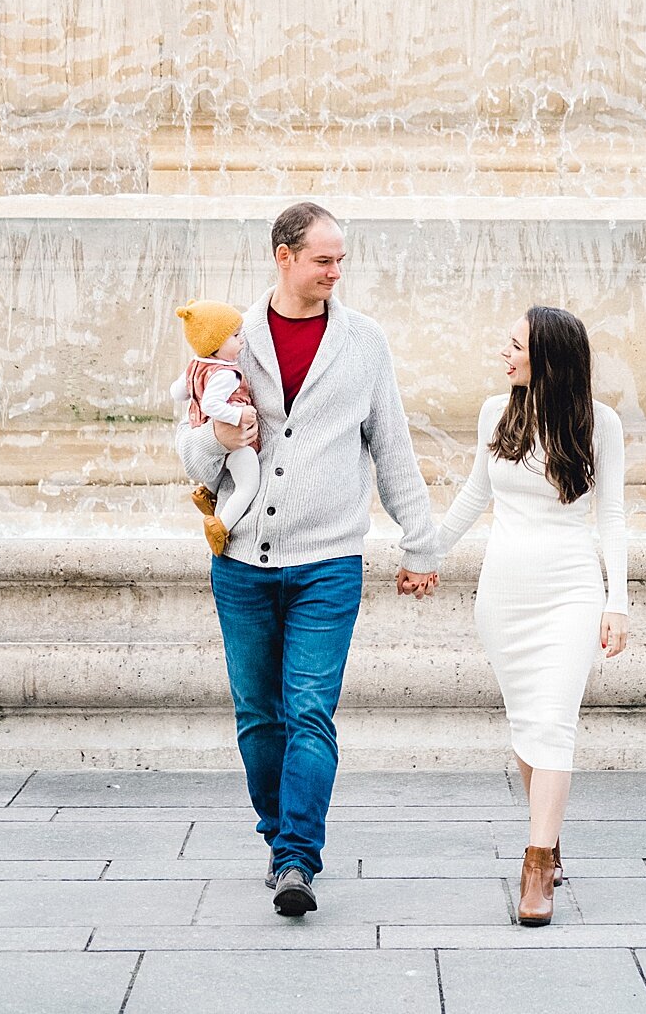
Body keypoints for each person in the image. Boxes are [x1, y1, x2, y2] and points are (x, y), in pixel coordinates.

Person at [173, 201, 443, 919]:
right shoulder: (231, 340)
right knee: (258, 717)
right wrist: (225, 440)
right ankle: (276, 829)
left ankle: (297, 855)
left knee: (312, 712)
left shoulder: (364, 343)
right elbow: (191, 446)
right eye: (323, 258)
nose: (335, 271)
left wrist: (422, 541)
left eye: (340, 259)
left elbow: (393, 448)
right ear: (284, 257)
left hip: (329, 562)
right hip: (241, 562)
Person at [434, 307, 629, 927]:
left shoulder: (601, 424)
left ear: (547, 358)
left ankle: (537, 865)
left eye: (515, 346)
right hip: (503, 595)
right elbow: (473, 495)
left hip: (570, 592)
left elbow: (613, 517)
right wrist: (424, 552)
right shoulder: (498, 412)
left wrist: (616, 600)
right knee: (527, 727)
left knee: (554, 726)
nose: (504, 353)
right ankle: (549, 833)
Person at [174, 300, 260, 555]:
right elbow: (213, 404)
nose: (242, 340)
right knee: (247, 486)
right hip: (238, 442)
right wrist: (237, 414)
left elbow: (177, 392)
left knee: (225, 470)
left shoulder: (195, 365)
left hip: (204, 429)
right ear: (215, 344)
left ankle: (207, 492)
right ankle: (221, 526)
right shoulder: (226, 373)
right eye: (235, 336)